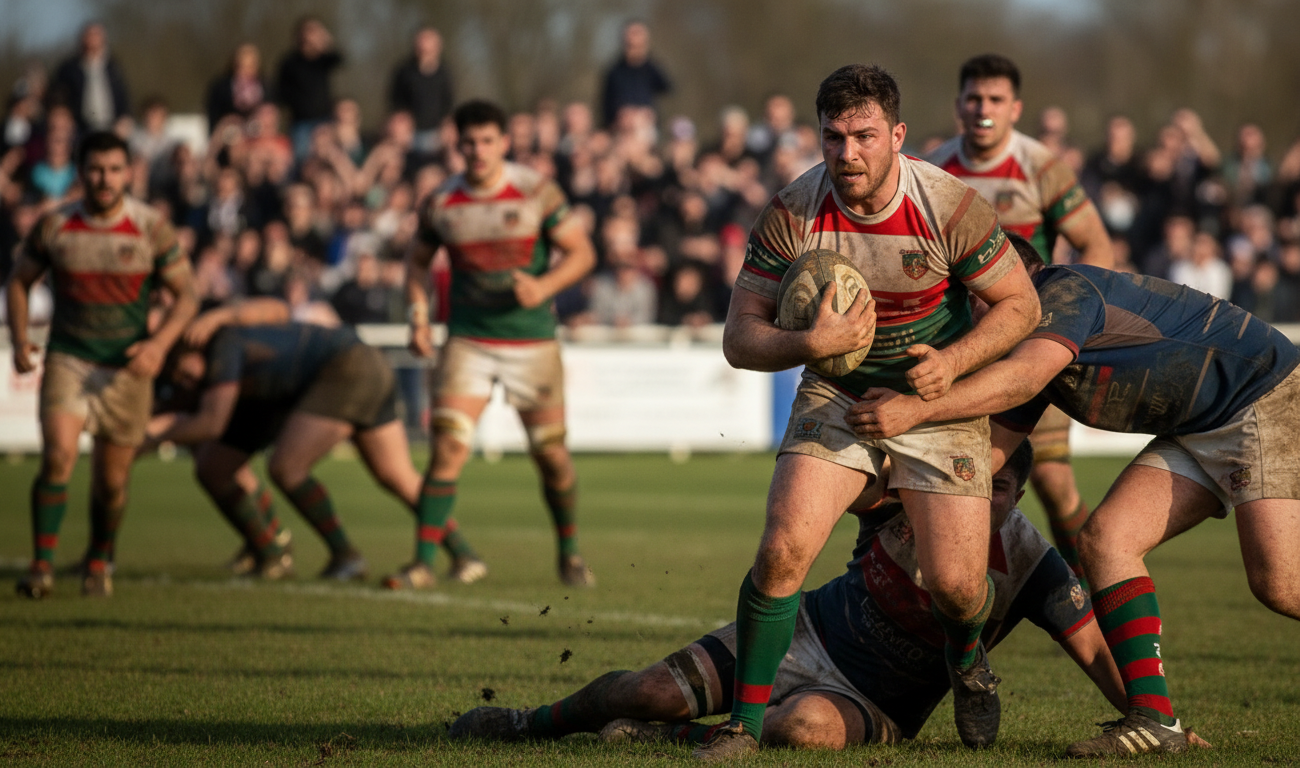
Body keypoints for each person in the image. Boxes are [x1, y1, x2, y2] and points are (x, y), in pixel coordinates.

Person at [847, 234, 1300, 757]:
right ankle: (1155, 722)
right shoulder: (1024, 350)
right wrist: (880, 476)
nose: (962, 312)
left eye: (970, 294)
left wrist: (917, 409)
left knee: (1280, 583)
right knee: (1106, 540)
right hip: (1204, 424)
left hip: (1265, 395)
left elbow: (1023, 379)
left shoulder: (1063, 292)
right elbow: (983, 462)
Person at [702, 63, 1040, 761]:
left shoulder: (948, 204)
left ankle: (968, 656)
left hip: (934, 400)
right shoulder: (794, 211)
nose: (847, 153)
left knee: (954, 587)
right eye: (833, 137)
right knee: (783, 549)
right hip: (839, 393)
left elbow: (1022, 306)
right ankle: (741, 728)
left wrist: (950, 365)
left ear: (897, 135)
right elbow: (739, 338)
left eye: (863, 136)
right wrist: (807, 343)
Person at [449, 443, 1142, 754]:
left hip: (876, 706)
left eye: (994, 489)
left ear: (1017, 494)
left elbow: (1093, 650)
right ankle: (527, 724)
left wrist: (1151, 715)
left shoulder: (1033, 564)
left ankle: (678, 740)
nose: (973, 499)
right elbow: (838, 486)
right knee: (647, 688)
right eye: (969, 481)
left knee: (803, 729)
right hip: (806, 631)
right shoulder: (906, 497)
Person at [927, 53, 1115, 586]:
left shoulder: (1041, 166)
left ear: (1015, 108)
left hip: (1034, 342)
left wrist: (1078, 321)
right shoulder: (936, 169)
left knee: (1053, 483)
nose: (982, 109)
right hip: (961, 343)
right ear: (958, 104)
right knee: (949, 469)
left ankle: (1087, 594)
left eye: (994, 100)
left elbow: (1095, 242)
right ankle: (942, 596)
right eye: (973, 99)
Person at [397, 99, 597, 590]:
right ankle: (423, 562)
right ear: (456, 144)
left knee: (551, 456)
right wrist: (418, 316)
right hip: (468, 341)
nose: (478, 151)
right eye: (468, 142)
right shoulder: (442, 201)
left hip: (531, 343)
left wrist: (544, 288)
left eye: (487, 140)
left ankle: (569, 554)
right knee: (446, 449)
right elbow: (416, 263)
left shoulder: (535, 192)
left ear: (504, 142)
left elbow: (582, 253)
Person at [147, 301, 487, 583]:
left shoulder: (222, 340)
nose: (184, 378)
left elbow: (212, 420)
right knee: (213, 467)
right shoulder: (220, 346)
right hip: (354, 364)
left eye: (182, 368)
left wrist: (145, 439)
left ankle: (343, 555)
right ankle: (465, 556)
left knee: (287, 467)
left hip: (345, 367)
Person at [5, 130, 198, 598]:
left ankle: (97, 558)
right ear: (80, 172)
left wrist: (159, 345)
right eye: (95, 169)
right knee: (58, 457)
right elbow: (19, 281)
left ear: (129, 172)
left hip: (127, 371)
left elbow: (187, 295)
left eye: (114, 169)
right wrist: (19, 336)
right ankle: (41, 566)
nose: (104, 179)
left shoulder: (151, 228)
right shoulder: (55, 226)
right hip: (69, 359)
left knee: (112, 484)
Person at [275, 16, 343, 162]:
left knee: (329, 159)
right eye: (310, 30)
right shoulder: (290, 62)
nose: (313, 35)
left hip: (325, 120)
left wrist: (325, 40)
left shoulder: (323, 60)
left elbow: (339, 58)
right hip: (301, 122)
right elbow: (281, 92)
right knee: (302, 160)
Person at [51, 22, 131, 132]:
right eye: (90, 35)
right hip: (80, 128)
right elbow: (59, 98)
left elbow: (123, 97)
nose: (93, 39)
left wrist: (124, 119)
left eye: (96, 35)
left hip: (111, 127)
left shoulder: (114, 67)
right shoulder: (69, 69)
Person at [386, 26, 454, 154]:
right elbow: (396, 104)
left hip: (437, 134)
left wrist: (447, 126)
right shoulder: (404, 71)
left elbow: (448, 105)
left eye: (428, 40)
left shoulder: (445, 73)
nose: (424, 45)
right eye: (421, 40)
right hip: (409, 134)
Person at [600, 20, 672, 128]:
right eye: (630, 34)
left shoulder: (652, 69)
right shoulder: (614, 71)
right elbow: (606, 103)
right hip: (620, 127)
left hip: (647, 126)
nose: (632, 39)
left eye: (637, 34)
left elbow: (668, 88)